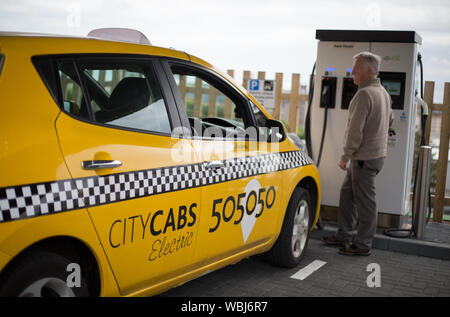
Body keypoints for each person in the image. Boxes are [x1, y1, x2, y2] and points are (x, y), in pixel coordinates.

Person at [322, 52, 393, 256]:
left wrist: (345, 156)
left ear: (368, 70)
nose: (352, 71)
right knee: (347, 194)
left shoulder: (364, 94)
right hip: (373, 156)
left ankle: (363, 245)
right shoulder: (383, 92)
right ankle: (344, 234)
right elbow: (390, 121)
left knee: (365, 202)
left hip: (364, 158)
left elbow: (355, 131)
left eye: (356, 67)